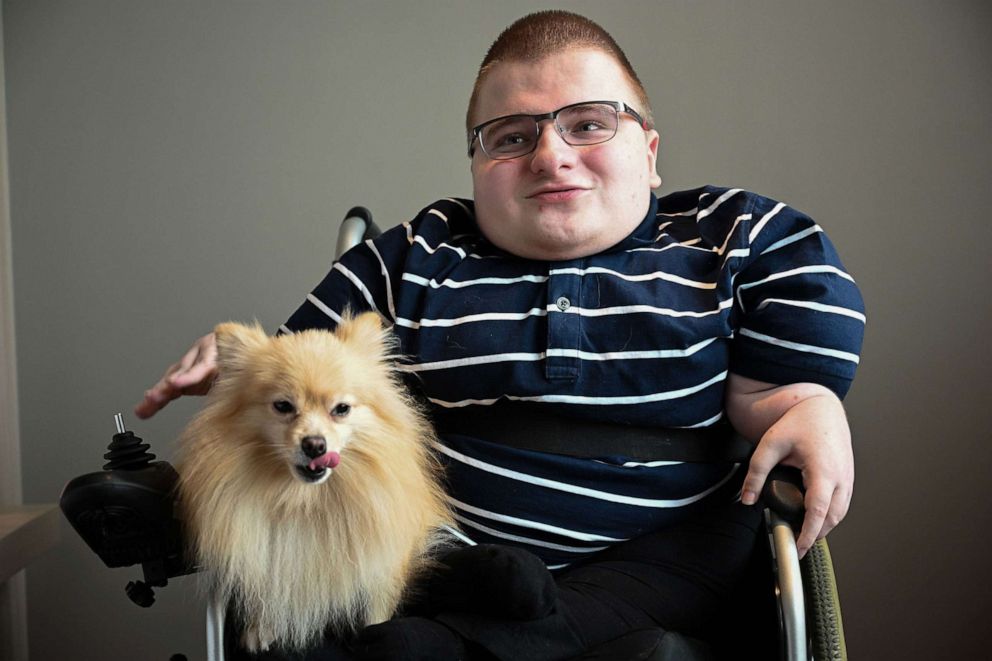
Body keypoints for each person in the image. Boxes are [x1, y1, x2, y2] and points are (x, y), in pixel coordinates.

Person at [136, 10, 864, 660]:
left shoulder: (724, 235)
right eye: (512, 137)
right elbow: (301, 371)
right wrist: (232, 364)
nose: (550, 154)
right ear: (477, 168)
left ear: (648, 148)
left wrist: (805, 400)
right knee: (439, 577)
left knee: (668, 597)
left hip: (662, 552)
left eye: (587, 123)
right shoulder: (421, 252)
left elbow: (795, 314)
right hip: (449, 553)